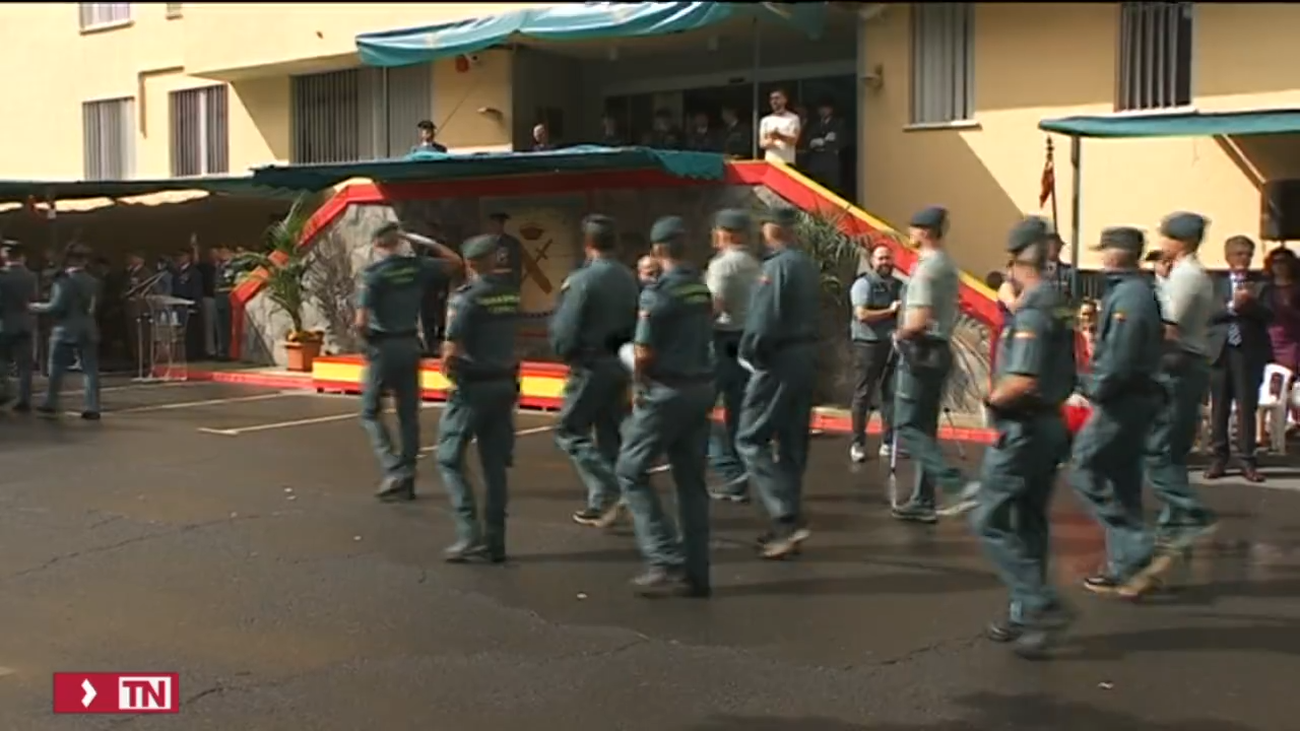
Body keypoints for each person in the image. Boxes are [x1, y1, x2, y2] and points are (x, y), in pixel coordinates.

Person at [972, 217, 1077, 658]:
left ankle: (1040, 603)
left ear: (1013, 260)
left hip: (1023, 428)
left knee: (989, 521)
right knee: (1029, 521)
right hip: (1048, 424)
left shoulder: (1034, 310)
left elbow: (1023, 380)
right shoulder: (1055, 303)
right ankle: (1024, 613)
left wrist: (991, 395)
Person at [616, 216, 716, 597]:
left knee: (630, 470)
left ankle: (663, 557)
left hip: (666, 392)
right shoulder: (699, 288)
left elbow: (642, 352)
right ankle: (697, 572)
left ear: (657, 251)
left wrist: (637, 384)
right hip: (700, 388)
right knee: (690, 482)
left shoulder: (657, 293)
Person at [1123, 212, 1220, 597]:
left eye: (1165, 237)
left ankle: (1190, 514)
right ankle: (1173, 525)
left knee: (1159, 452)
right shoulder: (1180, 275)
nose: (1160, 243)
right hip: (1184, 364)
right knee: (1171, 451)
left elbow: (1169, 327)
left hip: (1178, 366)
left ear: (1180, 241)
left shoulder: (1188, 277)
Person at [1067, 227, 1163, 596]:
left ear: (1115, 254)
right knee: (1122, 480)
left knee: (1084, 468)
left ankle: (1137, 545)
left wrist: (1092, 387)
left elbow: (1119, 359)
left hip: (1121, 400)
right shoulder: (1131, 291)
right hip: (1132, 398)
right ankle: (1129, 566)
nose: (1102, 257)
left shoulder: (1129, 297)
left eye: (1105, 250)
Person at [735, 208, 821, 558]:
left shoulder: (775, 267)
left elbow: (762, 322)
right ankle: (787, 528)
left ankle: (785, 514)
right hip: (805, 356)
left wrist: (750, 354)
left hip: (778, 358)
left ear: (771, 229)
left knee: (749, 438)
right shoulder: (806, 265)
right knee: (791, 441)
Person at [356, 223, 463, 502]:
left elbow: (361, 321)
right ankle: (408, 474)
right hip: (409, 344)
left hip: (384, 345)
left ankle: (394, 469)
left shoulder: (373, 275)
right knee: (408, 415)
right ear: (400, 241)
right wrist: (421, 239)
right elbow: (455, 261)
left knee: (369, 411)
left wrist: (367, 341)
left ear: (377, 245)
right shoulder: (416, 266)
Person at [549, 214, 640, 528]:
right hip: (619, 363)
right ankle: (606, 501)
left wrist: (564, 353)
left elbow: (565, 329)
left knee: (569, 430)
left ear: (586, 243)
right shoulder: (628, 277)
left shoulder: (582, 280)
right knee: (609, 433)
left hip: (589, 365)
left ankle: (609, 489)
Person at [435, 234, 521, 563]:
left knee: (448, 457)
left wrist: (451, 374)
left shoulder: (465, 299)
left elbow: (450, 350)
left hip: (472, 389)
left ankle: (470, 533)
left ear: (470, 263)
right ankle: (495, 541)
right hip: (504, 384)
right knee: (494, 466)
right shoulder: (509, 294)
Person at [891, 206, 972, 524]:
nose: (909, 234)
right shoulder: (947, 264)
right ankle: (923, 499)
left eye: (912, 229)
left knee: (907, 425)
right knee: (926, 427)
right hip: (939, 349)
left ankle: (955, 483)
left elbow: (919, 318)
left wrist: (900, 332)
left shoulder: (926, 269)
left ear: (924, 232)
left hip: (920, 350)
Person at [705, 209, 761, 501]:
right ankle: (742, 471)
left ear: (727, 233)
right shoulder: (754, 264)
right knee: (738, 411)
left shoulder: (722, 266)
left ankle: (729, 471)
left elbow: (714, 306)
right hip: (746, 342)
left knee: (699, 409)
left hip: (723, 341)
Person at [1205, 235, 1271, 483]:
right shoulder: (1215, 284)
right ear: (1228, 257)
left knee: (1246, 407)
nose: (1243, 259)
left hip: (1247, 351)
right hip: (1220, 350)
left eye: (1247, 254)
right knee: (1219, 407)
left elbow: (1269, 316)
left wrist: (1250, 305)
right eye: (1238, 254)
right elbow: (1208, 315)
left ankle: (1247, 460)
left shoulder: (1261, 285)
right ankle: (1218, 457)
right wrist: (1233, 306)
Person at [848, 244, 904, 463]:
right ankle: (857, 443)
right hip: (867, 344)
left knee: (890, 394)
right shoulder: (863, 284)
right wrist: (889, 311)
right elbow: (862, 314)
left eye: (888, 258)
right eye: (880, 258)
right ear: (872, 260)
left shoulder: (899, 285)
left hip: (892, 344)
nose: (885, 262)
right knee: (864, 394)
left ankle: (888, 442)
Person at [32, 243, 101, 420]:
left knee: (56, 366)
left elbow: (56, 307)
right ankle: (92, 406)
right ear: (85, 261)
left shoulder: (63, 281)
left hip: (65, 328)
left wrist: (35, 306)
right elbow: (93, 306)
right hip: (87, 327)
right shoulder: (93, 281)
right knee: (90, 369)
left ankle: (51, 401)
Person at [1261, 247, 1300, 441]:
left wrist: (1289, 310)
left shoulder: (1297, 287)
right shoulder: (1266, 289)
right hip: (1269, 339)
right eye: (1276, 262)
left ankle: (1291, 421)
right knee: (1270, 383)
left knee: (1288, 382)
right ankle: (1271, 426)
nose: (1280, 266)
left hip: (1292, 339)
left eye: (1284, 262)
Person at [0, 241, 37, 411]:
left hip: (5, 323)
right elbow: (33, 298)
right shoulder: (31, 276)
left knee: (3, 361)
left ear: (6, 256)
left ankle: (5, 392)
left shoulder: (3, 276)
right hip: (25, 323)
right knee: (25, 365)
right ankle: (25, 399)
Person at [803, 98, 846, 194]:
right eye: (821, 108)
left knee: (832, 190)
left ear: (831, 109)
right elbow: (808, 141)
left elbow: (838, 141)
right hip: (816, 161)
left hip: (830, 161)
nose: (823, 110)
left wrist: (821, 142)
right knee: (815, 189)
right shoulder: (814, 125)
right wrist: (824, 140)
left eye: (826, 108)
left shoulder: (838, 123)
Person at [758, 89, 801, 165]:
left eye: (777, 98)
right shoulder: (765, 120)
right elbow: (762, 144)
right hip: (770, 163)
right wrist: (772, 140)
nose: (774, 101)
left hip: (787, 162)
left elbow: (794, 141)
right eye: (772, 99)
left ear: (785, 100)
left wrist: (778, 135)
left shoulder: (793, 118)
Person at [486, 212, 523, 291]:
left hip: (505, 285)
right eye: (491, 224)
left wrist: (515, 287)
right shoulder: (485, 243)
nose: (492, 227)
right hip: (488, 286)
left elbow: (516, 267)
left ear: (501, 225)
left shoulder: (511, 243)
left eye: (495, 224)